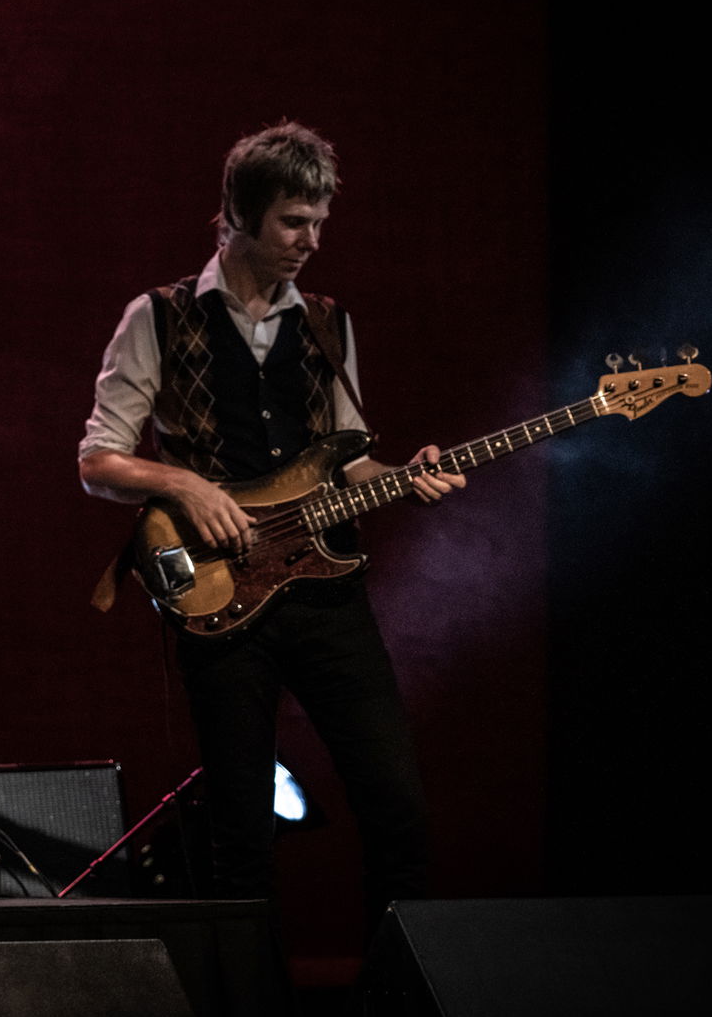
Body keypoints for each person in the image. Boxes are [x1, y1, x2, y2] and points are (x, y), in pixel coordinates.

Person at [78, 122, 463, 926]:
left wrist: (405, 479)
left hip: (327, 593)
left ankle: (391, 1002)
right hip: (220, 600)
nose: (311, 241)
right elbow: (98, 461)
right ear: (239, 214)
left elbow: (348, 464)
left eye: (319, 222)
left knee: (398, 809)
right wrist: (183, 483)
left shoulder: (328, 323)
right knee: (240, 835)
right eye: (294, 221)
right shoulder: (158, 316)